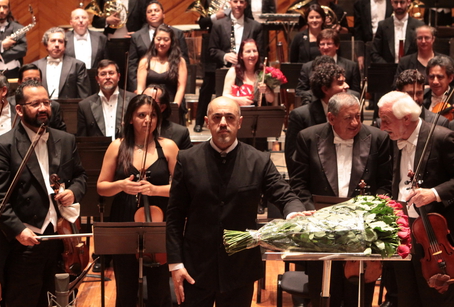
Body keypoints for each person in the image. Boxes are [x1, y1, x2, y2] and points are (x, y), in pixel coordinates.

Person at [166, 96, 307, 306]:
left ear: (239, 122)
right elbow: (175, 216)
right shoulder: (187, 160)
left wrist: (293, 211)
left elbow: (284, 194)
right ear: (207, 122)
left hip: (239, 270)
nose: (223, 122)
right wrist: (175, 263)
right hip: (195, 268)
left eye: (230, 117)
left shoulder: (259, 160)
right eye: (217, 117)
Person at [290, 92, 392, 307]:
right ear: (331, 118)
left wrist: (374, 213)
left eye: (358, 116)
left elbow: (385, 183)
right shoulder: (307, 138)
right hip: (321, 232)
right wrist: (313, 216)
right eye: (348, 118)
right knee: (325, 296)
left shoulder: (377, 138)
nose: (355, 123)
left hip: (362, 234)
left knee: (359, 299)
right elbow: (299, 185)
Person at [0, 80, 87, 307]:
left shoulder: (65, 140)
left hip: (59, 240)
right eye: (35, 104)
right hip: (24, 242)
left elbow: (80, 177)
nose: (43, 108)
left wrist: (73, 193)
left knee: (58, 300)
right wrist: (18, 230)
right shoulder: (3, 146)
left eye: (46, 102)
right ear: (19, 109)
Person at [97, 94, 179, 307]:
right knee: (126, 284)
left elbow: (184, 188)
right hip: (124, 217)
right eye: (141, 115)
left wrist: (155, 189)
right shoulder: (118, 146)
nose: (147, 120)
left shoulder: (168, 146)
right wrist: (121, 186)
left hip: (159, 218)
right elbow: (101, 187)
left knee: (159, 284)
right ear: (130, 118)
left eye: (152, 115)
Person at [378, 91, 454, 307]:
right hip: (404, 236)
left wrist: (434, 193)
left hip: (435, 238)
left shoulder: (441, 137)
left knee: (435, 300)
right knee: (405, 298)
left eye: (386, 121)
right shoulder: (393, 140)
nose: (382, 127)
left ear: (406, 118)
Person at [193, 0, 263, 133]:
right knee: (207, 86)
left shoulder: (255, 26)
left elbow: (260, 51)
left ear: (246, 5)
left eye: (241, 2)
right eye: (235, 1)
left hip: (247, 67)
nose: (238, 5)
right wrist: (225, 56)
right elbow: (212, 50)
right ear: (230, 2)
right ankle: (200, 120)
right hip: (222, 66)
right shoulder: (218, 25)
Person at [285, 63, 349, 176]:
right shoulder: (301, 116)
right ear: (325, 89)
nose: (347, 86)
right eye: (340, 83)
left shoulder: (350, 113)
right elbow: (292, 158)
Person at [128, 0, 189, 92]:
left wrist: (182, 88)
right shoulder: (137, 36)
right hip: (145, 86)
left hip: (171, 86)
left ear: (163, 14)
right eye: (149, 12)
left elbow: (184, 59)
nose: (153, 13)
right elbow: (132, 64)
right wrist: (136, 88)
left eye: (156, 10)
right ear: (146, 16)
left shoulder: (177, 33)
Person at [136, 24, 188, 125]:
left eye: (166, 39)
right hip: (150, 108)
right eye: (158, 39)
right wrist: (143, 107)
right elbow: (140, 88)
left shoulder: (179, 61)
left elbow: (181, 87)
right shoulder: (144, 61)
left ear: (171, 41)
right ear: (154, 39)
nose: (162, 43)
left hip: (172, 105)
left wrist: (174, 108)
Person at [77, 59, 136, 138]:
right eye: (103, 74)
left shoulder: (133, 100)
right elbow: (82, 141)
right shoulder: (84, 106)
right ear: (97, 79)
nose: (107, 77)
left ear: (118, 76)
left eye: (111, 73)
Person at [295, 29, 361, 97]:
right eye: (322, 44)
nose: (325, 47)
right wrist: (320, 93)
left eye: (329, 43)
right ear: (318, 47)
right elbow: (299, 92)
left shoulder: (351, 66)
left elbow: (356, 93)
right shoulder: (307, 67)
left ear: (337, 46)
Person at [33, 27, 91, 99]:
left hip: (69, 108)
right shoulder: (35, 66)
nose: (57, 44)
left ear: (65, 45)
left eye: (60, 41)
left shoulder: (77, 65)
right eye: (53, 41)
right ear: (46, 45)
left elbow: (84, 95)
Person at [6, 64, 66, 132]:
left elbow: (60, 134)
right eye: (28, 80)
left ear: (41, 81)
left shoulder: (54, 106)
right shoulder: (7, 104)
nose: (32, 82)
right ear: (19, 82)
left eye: (36, 79)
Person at [222, 38, 274, 106]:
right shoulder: (233, 71)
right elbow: (225, 96)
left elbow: (271, 100)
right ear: (241, 55)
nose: (252, 55)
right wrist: (239, 100)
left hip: (260, 113)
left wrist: (266, 90)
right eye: (248, 51)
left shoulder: (264, 71)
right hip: (239, 112)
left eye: (254, 51)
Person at [371, 0, 424, 64]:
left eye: (402, 2)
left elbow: (422, 51)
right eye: (396, 2)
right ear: (391, 3)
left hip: (411, 70)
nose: (399, 6)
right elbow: (375, 53)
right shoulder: (383, 25)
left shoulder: (419, 25)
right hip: (388, 70)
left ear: (408, 2)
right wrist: (387, 68)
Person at [142, 83, 192, 149]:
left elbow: (187, 158)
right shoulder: (128, 128)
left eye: (150, 101)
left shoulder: (180, 133)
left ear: (162, 107)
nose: (144, 103)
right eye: (142, 99)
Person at [353, 0, 393, 70]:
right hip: (368, 47)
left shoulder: (392, 2)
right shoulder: (360, 3)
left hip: (388, 47)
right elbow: (358, 30)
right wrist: (360, 54)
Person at [0, 0, 27, 79]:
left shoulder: (18, 27)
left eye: (5, 7)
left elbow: (22, 49)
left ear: (9, 8)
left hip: (14, 71)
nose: (1, 10)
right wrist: (2, 45)